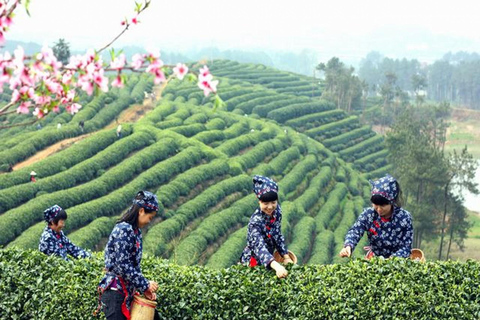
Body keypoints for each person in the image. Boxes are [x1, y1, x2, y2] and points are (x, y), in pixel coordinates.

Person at [97, 191, 160, 320]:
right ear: (141, 211)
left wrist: (144, 289)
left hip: (127, 294)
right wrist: (145, 284)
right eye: (150, 217)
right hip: (116, 295)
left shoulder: (135, 231)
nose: (149, 221)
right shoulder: (124, 229)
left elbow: (134, 266)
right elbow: (123, 265)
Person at [339, 174, 413, 259]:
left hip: (398, 261)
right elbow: (356, 230)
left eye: (382, 205)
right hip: (375, 259)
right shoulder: (369, 215)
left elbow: (406, 247)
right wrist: (348, 246)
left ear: (392, 202)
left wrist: (391, 261)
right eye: (375, 204)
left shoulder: (404, 218)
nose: (379, 209)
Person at [240, 175, 293, 278]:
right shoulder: (255, 222)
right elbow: (259, 248)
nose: (270, 207)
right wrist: (277, 266)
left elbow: (277, 234)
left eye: (273, 202)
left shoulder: (277, 212)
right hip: (254, 262)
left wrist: (286, 256)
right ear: (259, 201)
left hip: (270, 259)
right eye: (265, 203)